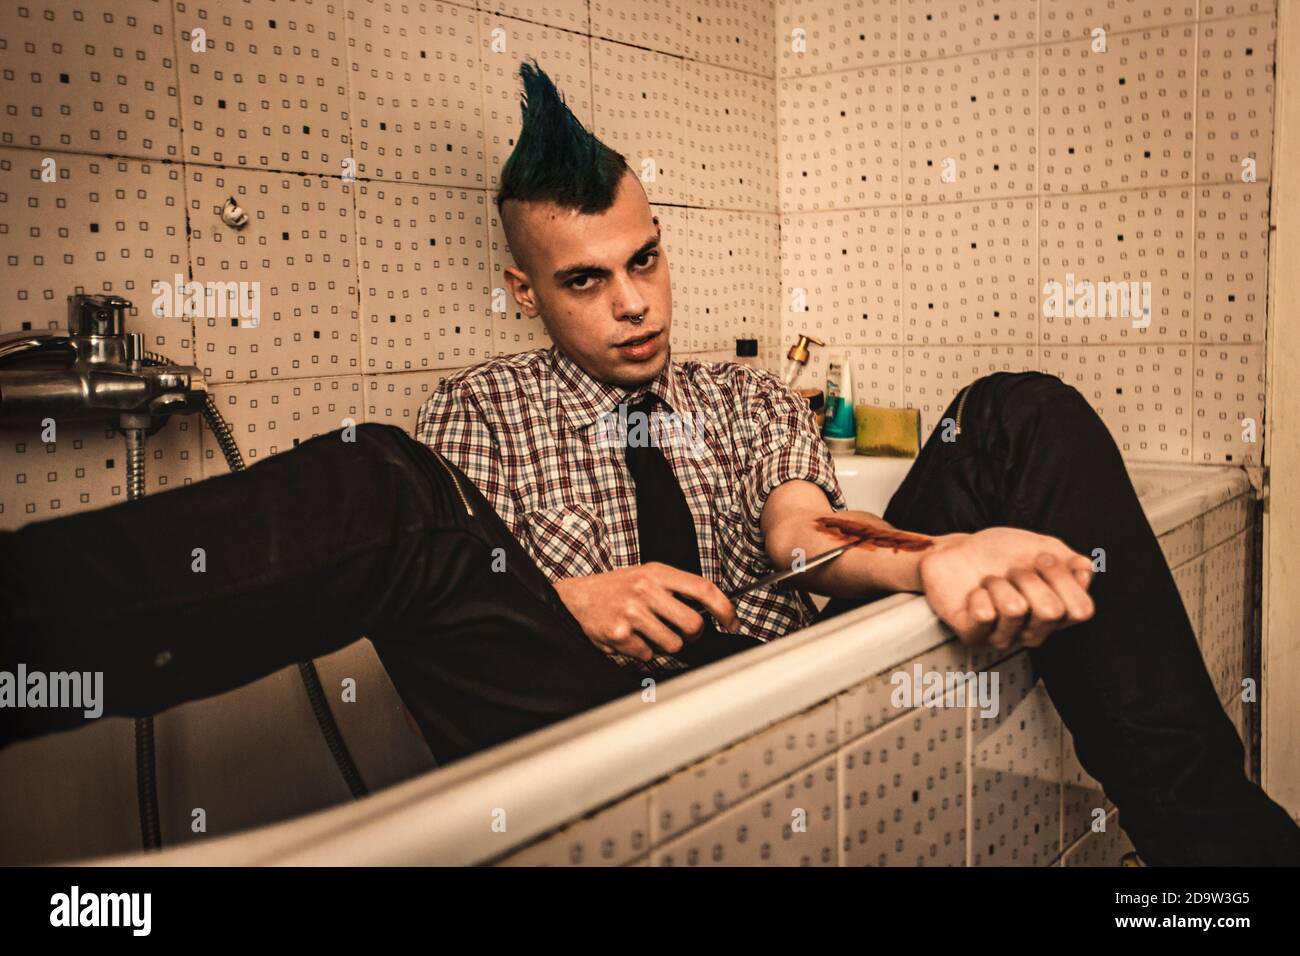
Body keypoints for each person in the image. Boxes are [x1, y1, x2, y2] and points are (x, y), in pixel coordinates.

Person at [2, 59, 1297, 866]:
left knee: (1024, 407)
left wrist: (932, 553)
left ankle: (1227, 867)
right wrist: (573, 603)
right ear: (523, 288)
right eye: (586, 278)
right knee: (381, 484)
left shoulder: (738, 396)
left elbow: (804, 533)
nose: (633, 303)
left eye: (648, 258)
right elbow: (453, 608)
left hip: (772, 674)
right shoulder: (481, 412)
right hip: (577, 708)